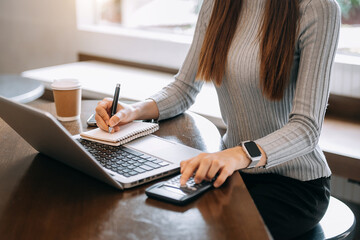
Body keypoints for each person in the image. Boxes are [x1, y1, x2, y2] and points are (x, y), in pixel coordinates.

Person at [95, 0, 340, 239]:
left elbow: (306, 128)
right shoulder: (215, 5)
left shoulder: (318, 8)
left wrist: (239, 154)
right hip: (234, 173)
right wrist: (132, 112)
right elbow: (184, 89)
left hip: (293, 184)